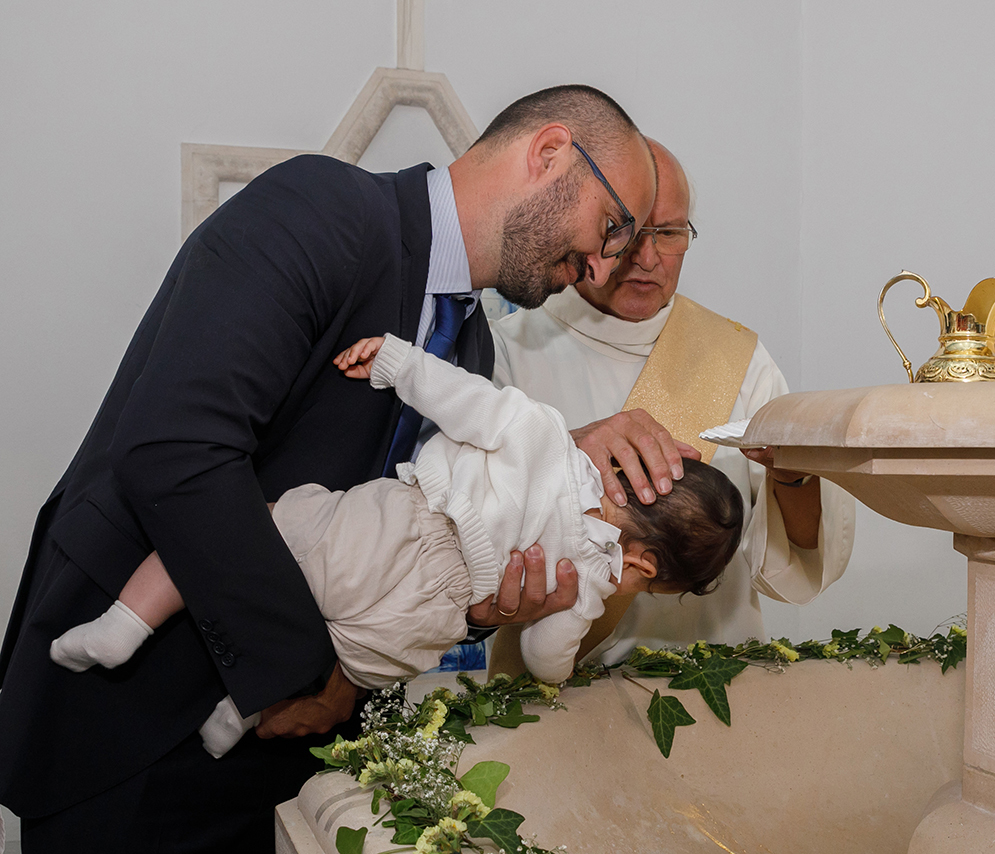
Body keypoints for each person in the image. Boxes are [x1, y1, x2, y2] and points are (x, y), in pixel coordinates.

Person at [0, 84, 683, 852]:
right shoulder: (319, 208)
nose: (599, 268)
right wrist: (311, 678)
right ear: (550, 150)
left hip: (282, 756)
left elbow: (383, 547)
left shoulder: (471, 354)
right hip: (133, 719)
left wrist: (480, 605)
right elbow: (178, 450)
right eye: (612, 229)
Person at [49, 332, 744, 759]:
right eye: (652, 587)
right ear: (647, 567)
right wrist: (602, 597)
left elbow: (464, 399)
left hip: (396, 532)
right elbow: (543, 657)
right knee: (320, 656)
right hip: (413, 632)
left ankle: (123, 625)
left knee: (225, 532)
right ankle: (238, 717)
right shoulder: (581, 585)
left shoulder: (546, 438)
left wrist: (398, 362)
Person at [489, 139, 856, 673]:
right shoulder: (510, 348)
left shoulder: (739, 358)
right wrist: (565, 453)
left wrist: (795, 477)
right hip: (547, 695)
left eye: (670, 234)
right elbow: (463, 519)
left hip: (714, 684)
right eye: (628, 232)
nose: (647, 257)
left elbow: (794, 558)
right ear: (585, 228)